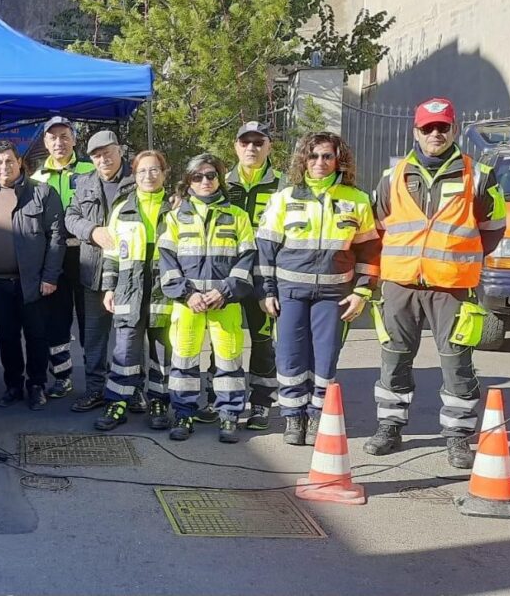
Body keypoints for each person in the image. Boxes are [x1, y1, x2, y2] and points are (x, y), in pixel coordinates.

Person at [365, 97, 507, 469]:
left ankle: (458, 438)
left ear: (453, 129)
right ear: (416, 131)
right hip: (400, 285)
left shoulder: (478, 176)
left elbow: (493, 229)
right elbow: (377, 228)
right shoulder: (391, 176)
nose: (435, 134)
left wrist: (456, 258)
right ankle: (389, 428)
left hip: (452, 286)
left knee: (456, 363)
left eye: (442, 127)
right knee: (394, 359)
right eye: (428, 128)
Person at [256, 132, 379, 446]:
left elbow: (369, 252)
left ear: (339, 159)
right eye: (313, 156)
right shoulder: (284, 197)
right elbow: (266, 249)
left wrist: (362, 291)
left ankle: (316, 417)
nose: (320, 163)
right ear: (303, 160)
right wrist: (267, 290)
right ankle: (293, 417)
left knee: (325, 359)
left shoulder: (357, 199)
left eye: (327, 156)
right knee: (290, 356)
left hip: (334, 295)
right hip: (290, 292)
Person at [159, 154, 256, 442]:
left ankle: (228, 417)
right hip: (188, 305)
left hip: (224, 302)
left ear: (220, 179)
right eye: (198, 176)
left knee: (229, 362)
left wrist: (224, 292)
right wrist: (187, 294)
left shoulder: (238, 216)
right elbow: (166, 263)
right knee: (184, 361)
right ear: (188, 181)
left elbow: (246, 260)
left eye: (211, 175)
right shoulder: (174, 218)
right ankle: (183, 414)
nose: (205, 181)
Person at [64, 130, 147, 414]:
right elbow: (70, 217)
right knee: (94, 337)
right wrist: (92, 231)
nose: (103, 159)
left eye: (107, 152)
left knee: (131, 335)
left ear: (120, 151)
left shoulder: (137, 181)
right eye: (96, 155)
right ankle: (96, 390)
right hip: (93, 271)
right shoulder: (84, 182)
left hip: (129, 274)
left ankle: (133, 389)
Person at [0, 140, 65, 410]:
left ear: (19, 162)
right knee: (6, 337)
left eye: (9, 161)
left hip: (34, 282)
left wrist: (50, 277)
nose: (4, 167)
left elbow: (56, 238)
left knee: (36, 336)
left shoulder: (42, 192)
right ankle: (12, 386)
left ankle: (37, 385)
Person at [95, 150, 174, 431]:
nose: (148, 176)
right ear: (134, 174)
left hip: (164, 289)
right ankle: (118, 402)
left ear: (165, 173)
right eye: (142, 171)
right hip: (130, 288)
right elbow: (112, 254)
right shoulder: (123, 208)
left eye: (154, 170)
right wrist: (108, 288)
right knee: (125, 348)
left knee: (162, 349)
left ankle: (159, 401)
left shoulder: (177, 209)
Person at [222, 121, 281, 430]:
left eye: (259, 142)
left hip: (263, 278)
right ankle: (220, 398)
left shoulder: (283, 185)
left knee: (262, 341)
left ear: (268, 147)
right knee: (223, 339)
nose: (252, 148)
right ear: (236, 146)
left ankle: (261, 403)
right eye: (245, 142)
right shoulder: (219, 183)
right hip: (227, 276)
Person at [31, 117, 95, 399]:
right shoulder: (36, 178)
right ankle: (62, 377)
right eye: (53, 137)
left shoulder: (90, 169)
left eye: (64, 136)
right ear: (45, 142)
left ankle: (96, 379)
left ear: (74, 139)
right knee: (56, 321)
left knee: (90, 320)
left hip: (88, 254)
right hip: (54, 256)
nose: (59, 142)